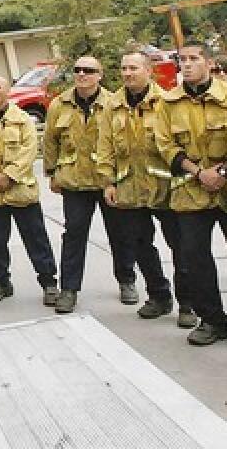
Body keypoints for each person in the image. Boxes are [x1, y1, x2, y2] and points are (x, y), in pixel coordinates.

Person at [152, 41, 227, 350]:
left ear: (208, 62)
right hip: (192, 193)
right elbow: (165, 144)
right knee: (195, 259)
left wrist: (223, 170)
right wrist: (198, 172)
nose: (187, 64)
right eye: (183, 60)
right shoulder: (168, 103)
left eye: (194, 58)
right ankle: (212, 322)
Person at [97, 50, 195, 328]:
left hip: (167, 188)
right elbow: (104, 147)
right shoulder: (111, 106)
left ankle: (188, 303)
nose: (128, 73)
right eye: (124, 68)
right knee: (141, 246)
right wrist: (108, 182)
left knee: (181, 247)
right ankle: (158, 296)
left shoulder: (167, 101)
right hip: (130, 188)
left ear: (149, 71)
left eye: (134, 68)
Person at [43, 56, 137, 314]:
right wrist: (51, 172)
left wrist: (121, 178)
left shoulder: (113, 103)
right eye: (78, 70)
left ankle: (127, 279)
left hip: (108, 180)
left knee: (120, 233)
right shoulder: (58, 105)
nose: (82, 74)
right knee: (73, 235)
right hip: (74, 181)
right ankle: (69, 289)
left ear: (100, 74)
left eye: (89, 70)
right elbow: (50, 141)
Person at [0, 76, 58, 306]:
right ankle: (0, 283)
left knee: (36, 240)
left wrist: (9, 175)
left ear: (7, 91)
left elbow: (29, 150)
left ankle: (49, 283)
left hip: (20, 190)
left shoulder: (22, 119)